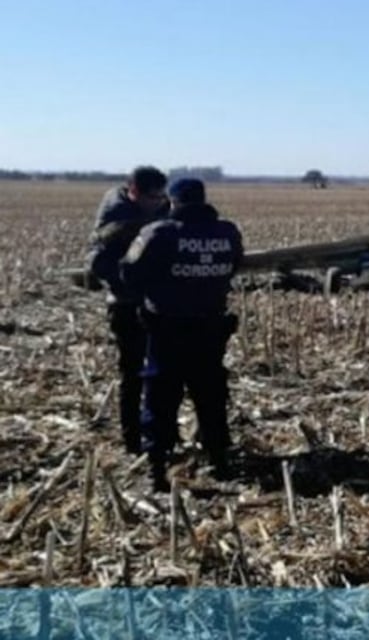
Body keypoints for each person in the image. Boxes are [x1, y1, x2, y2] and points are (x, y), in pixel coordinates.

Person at [119, 178, 244, 492]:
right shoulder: (227, 233)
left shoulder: (159, 233)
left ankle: (157, 466)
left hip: (166, 330)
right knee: (211, 394)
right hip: (210, 329)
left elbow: (129, 273)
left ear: (172, 202)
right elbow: (234, 266)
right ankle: (219, 459)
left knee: (160, 397)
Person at [89, 166, 170, 454]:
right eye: (153, 197)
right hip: (127, 306)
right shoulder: (115, 216)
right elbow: (99, 264)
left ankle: (160, 435)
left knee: (161, 374)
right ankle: (132, 440)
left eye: (162, 196)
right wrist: (133, 282)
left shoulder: (163, 208)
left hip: (158, 306)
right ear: (134, 191)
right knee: (133, 375)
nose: (159, 202)